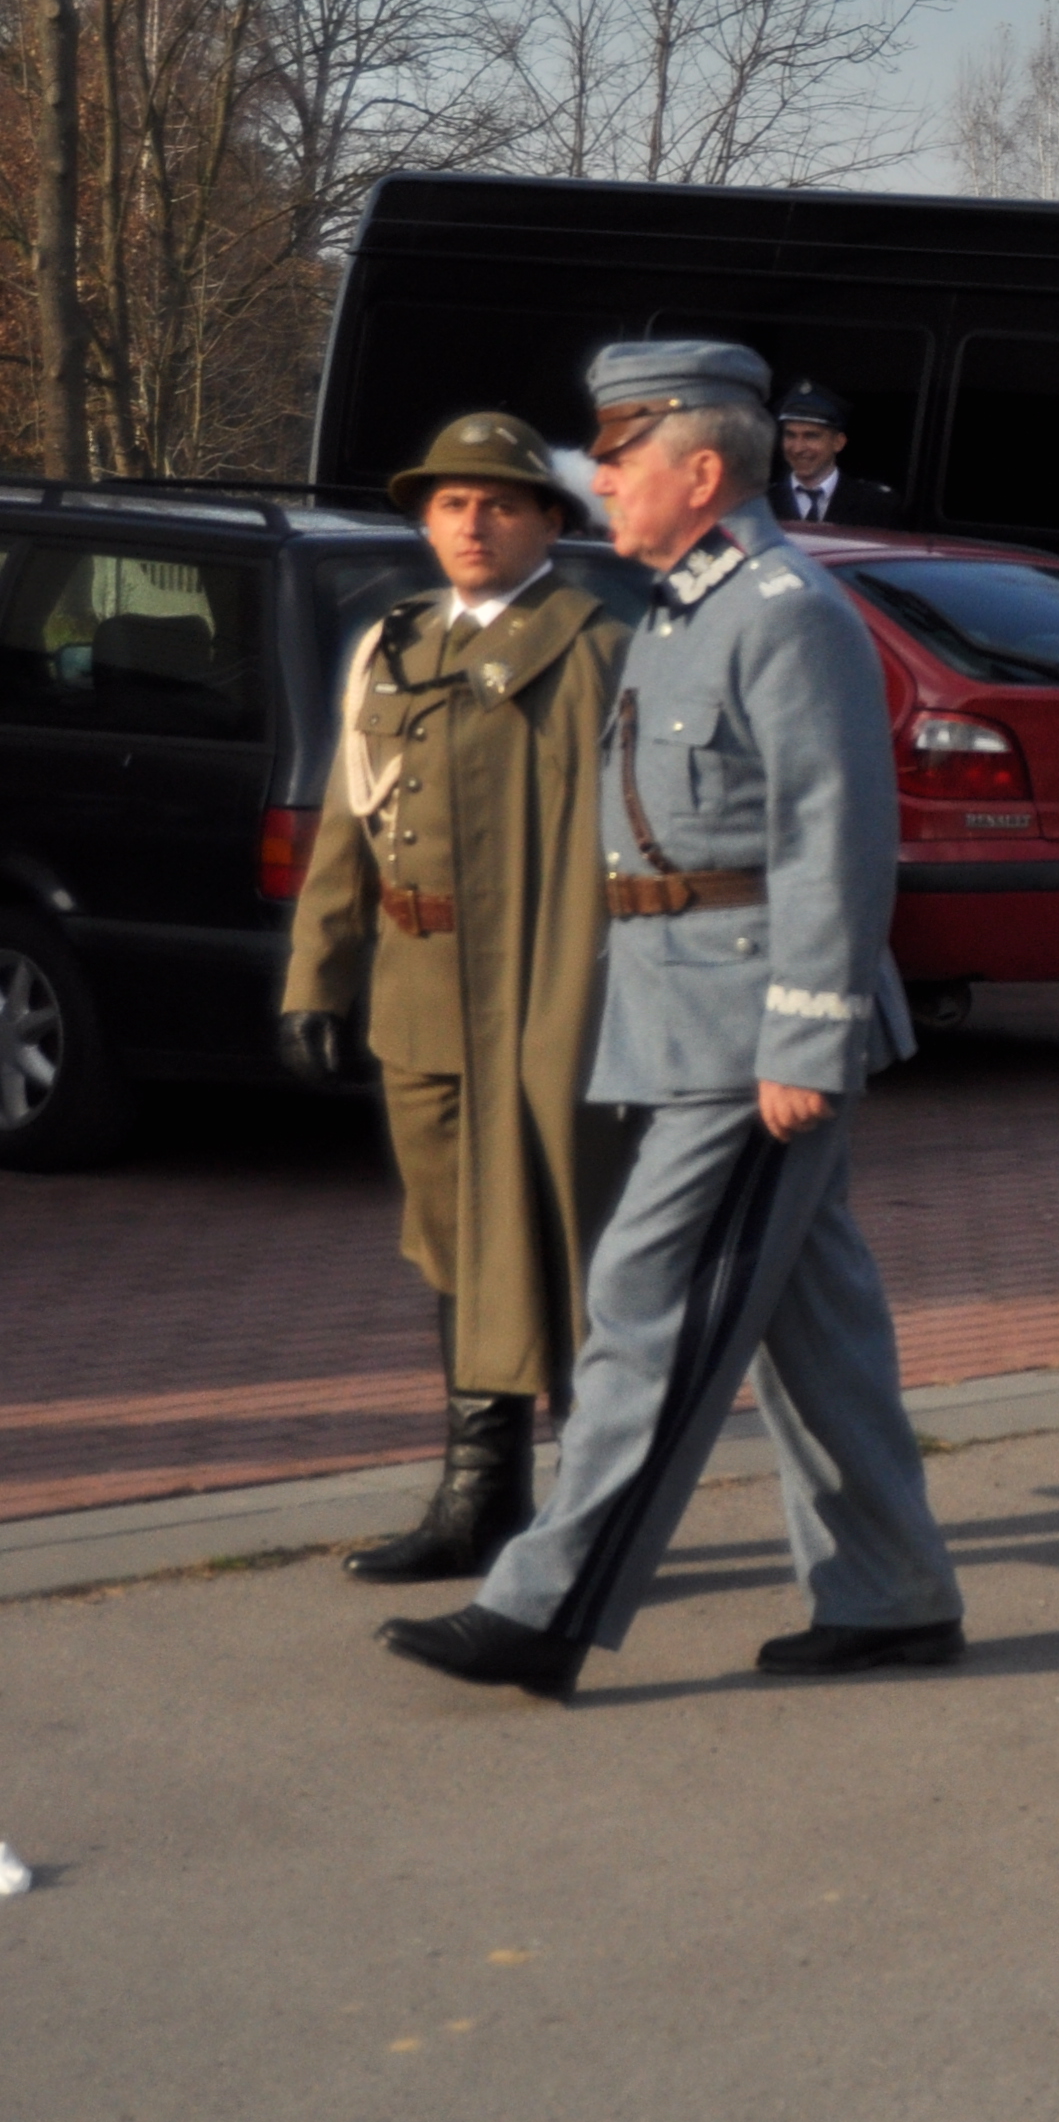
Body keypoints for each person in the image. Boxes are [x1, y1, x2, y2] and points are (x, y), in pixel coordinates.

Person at [378, 342, 965, 1701]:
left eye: (621, 456)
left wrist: (807, 1041)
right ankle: (889, 1595)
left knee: (647, 1300)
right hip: (690, 1012)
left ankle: (543, 1607)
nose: (598, 479)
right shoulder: (681, 607)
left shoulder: (782, 607)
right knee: (815, 1323)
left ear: (700, 472)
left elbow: (836, 840)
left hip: (754, 1026)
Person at [284, 415, 638, 1582]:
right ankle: (478, 1495)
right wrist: (318, 975)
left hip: (549, 1000)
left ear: (550, 521)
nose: (471, 523)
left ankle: (592, 1515)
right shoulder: (392, 641)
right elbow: (352, 821)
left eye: (498, 503)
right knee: (450, 1242)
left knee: (569, 1245)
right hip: (424, 994)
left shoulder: (597, 648)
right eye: (450, 504)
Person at [771, 385, 898, 528]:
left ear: (838, 442)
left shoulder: (875, 504)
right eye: (790, 435)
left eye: (811, 436)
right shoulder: (760, 502)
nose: (798, 448)